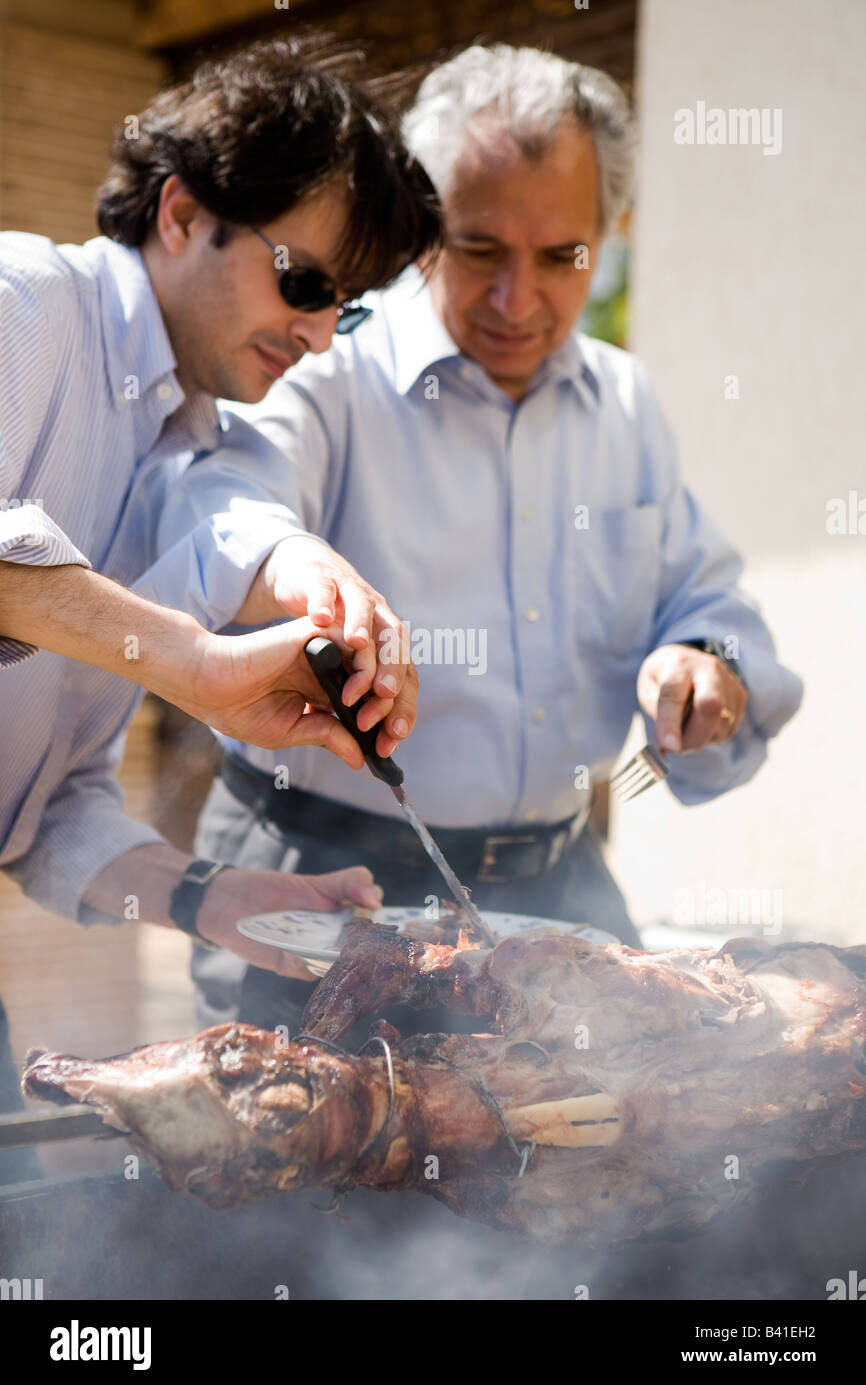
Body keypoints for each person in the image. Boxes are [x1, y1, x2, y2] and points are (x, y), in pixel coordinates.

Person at [147, 44, 802, 1031]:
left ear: (606, 235)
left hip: (560, 886)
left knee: (616, 1159)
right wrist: (291, 563)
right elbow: (217, 504)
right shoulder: (326, 365)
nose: (516, 301)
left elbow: (702, 597)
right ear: (421, 229)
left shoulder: (621, 400)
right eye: (479, 249)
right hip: (324, 875)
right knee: (307, 1164)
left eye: (560, 257)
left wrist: (704, 661)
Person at [0, 36, 440, 1175]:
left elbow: (46, 809)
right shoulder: (24, 303)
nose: (312, 331)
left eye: (340, 310)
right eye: (303, 281)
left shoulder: (179, 435)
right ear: (184, 213)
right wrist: (189, 656)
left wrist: (213, 895)